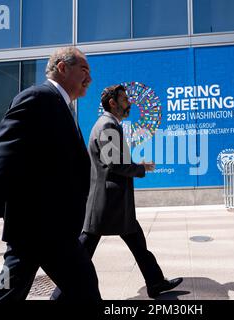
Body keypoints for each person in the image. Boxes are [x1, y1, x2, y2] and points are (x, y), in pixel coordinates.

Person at [0, 47, 101, 302]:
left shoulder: (61, 105)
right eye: (84, 70)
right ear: (62, 68)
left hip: (50, 231)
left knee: (13, 293)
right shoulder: (38, 98)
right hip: (41, 229)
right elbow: (0, 158)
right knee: (83, 291)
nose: (89, 79)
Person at [53, 84, 182, 299]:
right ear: (112, 103)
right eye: (124, 100)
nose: (129, 103)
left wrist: (136, 165)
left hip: (112, 201)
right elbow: (115, 164)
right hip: (109, 202)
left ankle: (155, 282)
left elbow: (114, 162)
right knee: (84, 250)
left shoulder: (108, 124)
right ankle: (60, 294)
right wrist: (141, 168)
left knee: (136, 242)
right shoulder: (107, 126)